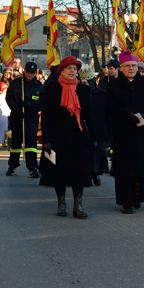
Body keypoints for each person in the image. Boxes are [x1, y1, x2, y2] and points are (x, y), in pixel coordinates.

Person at [105, 51, 144, 213]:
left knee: (141, 168)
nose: (131, 69)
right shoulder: (113, 85)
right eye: (127, 66)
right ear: (121, 68)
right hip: (123, 133)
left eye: (134, 66)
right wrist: (126, 115)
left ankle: (138, 197)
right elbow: (109, 107)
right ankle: (126, 201)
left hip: (143, 132)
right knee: (125, 169)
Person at [39, 56, 92, 218]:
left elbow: (89, 115)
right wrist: (46, 139)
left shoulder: (83, 90)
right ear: (61, 71)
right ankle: (61, 203)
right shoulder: (53, 88)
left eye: (75, 69)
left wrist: (93, 136)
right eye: (68, 68)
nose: (72, 71)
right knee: (59, 172)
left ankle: (78, 204)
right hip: (58, 137)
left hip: (78, 136)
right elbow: (47, 115)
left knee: (79, 172)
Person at [5, 61, 42, 178]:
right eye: (27, 72)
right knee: (16, 142)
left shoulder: (39, 86)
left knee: (30, 143)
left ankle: (32, 167)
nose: (29, 75)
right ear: (24, 71)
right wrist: (18, 110)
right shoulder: (16, 83)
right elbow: (9, 98)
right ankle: (12, 166)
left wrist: (30, 105)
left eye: (32, 73)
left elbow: (42, 102)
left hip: (31, 117)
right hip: (17, 116)